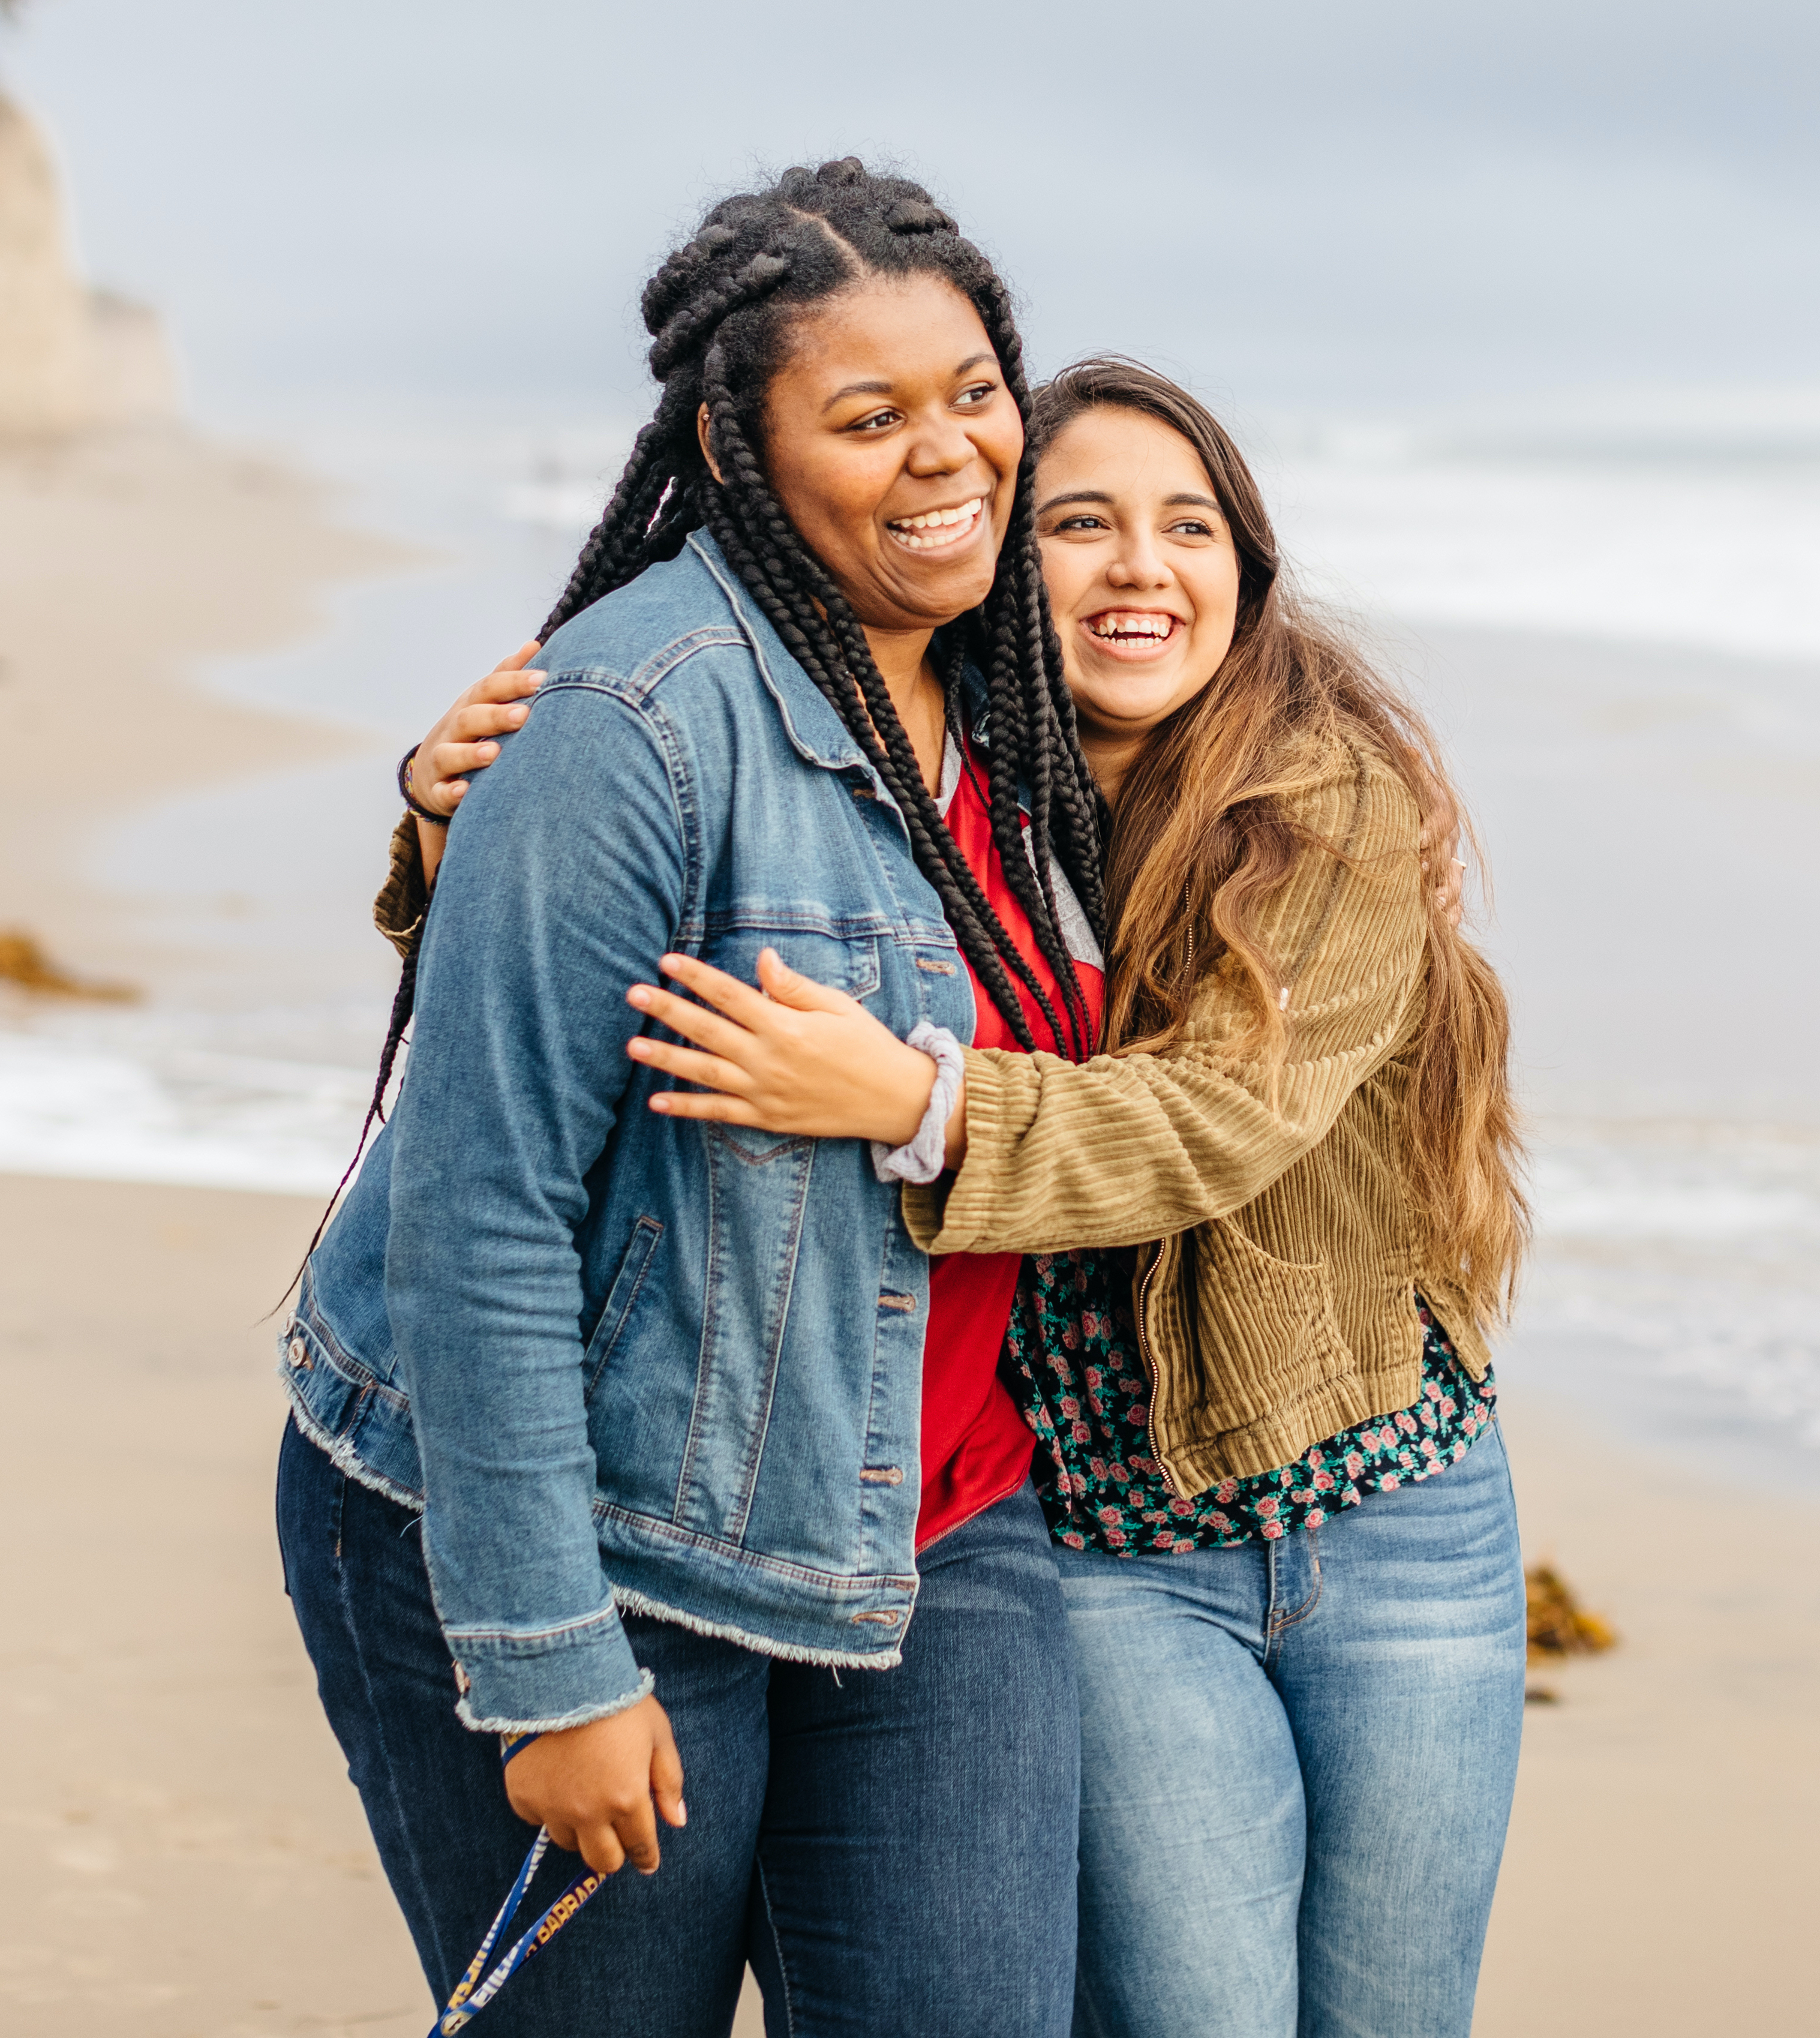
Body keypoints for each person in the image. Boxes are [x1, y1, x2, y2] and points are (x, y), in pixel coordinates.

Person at [417, 357, 1529, 2038]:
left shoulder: (1325, 796)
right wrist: (458, 830)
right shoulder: (933, 785)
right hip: (1109, 1547)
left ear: (1249, 565)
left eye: (1189, 526)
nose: (1141, 568)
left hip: (1394, 1508)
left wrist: (917, 1102)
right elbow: (639, 932)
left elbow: (1216, 1120)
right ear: (1003, 560)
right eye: (1079, 524)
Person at [276, 160, 1107, 2038]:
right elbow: (487, 1207)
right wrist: (550, 1665)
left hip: (932, 1511)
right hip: (602, 1524)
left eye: (974, 392)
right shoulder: (629, 721)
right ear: (737, 453)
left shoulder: (1025, 695)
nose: (947, 455)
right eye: (868, 417)